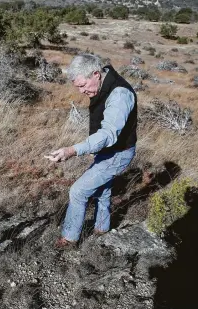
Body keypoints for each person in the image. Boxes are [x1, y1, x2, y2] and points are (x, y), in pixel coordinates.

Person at [45, 54, 137, 249]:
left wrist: (72, 150)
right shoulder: (102, 84)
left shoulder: (119, 94)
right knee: (102, 190)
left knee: (78, 192)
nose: (81, 91)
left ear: (96, 73)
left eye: (82, 85)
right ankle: (102, 228)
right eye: (77, 87)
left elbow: (108, 135)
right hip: (109, 151)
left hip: (118, 153)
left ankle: (69, 239)